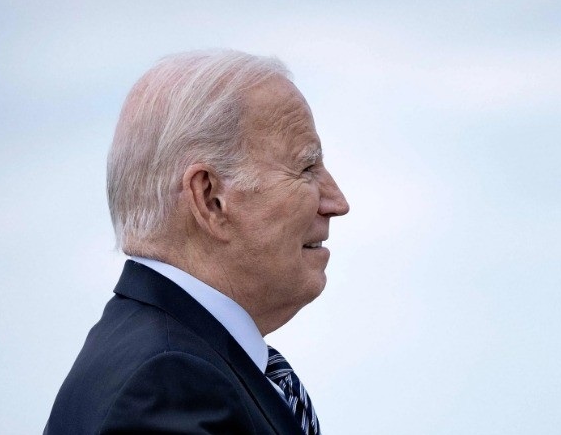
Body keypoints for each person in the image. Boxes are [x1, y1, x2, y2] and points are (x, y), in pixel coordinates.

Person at [44, 50, 350, 435]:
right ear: (210, 199)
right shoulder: (169, 382)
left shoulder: (169, 358)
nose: (337, 203)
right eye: (306, 168)